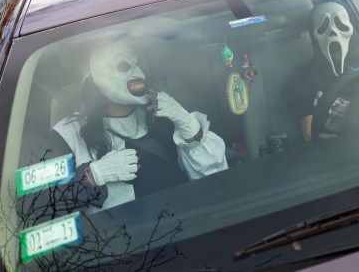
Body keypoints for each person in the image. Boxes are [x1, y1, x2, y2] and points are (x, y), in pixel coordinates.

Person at [51, 40, 228, 209]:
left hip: (190, 222)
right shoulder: (67, 135)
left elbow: (216, 180)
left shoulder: (162, 114)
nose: (139, 74)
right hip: (124, 237)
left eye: (137, 64)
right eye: (123, 66)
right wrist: (93, 175)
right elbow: (46, 207)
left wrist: (187, 124)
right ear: (93, 78)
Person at [288, 2, 359, 143]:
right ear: (313, 36)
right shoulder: (302, 78)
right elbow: (310, 133)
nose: (333, 33)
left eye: (340, 24)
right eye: (323, 27)